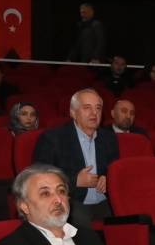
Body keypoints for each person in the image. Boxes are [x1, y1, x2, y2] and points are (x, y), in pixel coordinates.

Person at [32, 89, 117, 228]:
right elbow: (40, 178)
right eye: (87, 108)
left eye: (98, 108)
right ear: (73, 112)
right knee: (81, 225)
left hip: (105, 201)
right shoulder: (52, 139)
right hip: (71, 200)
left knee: (132, 217)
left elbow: (115, 169)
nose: (94, 113)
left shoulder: (109, 138)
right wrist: (74, 181)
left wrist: (108, 178)